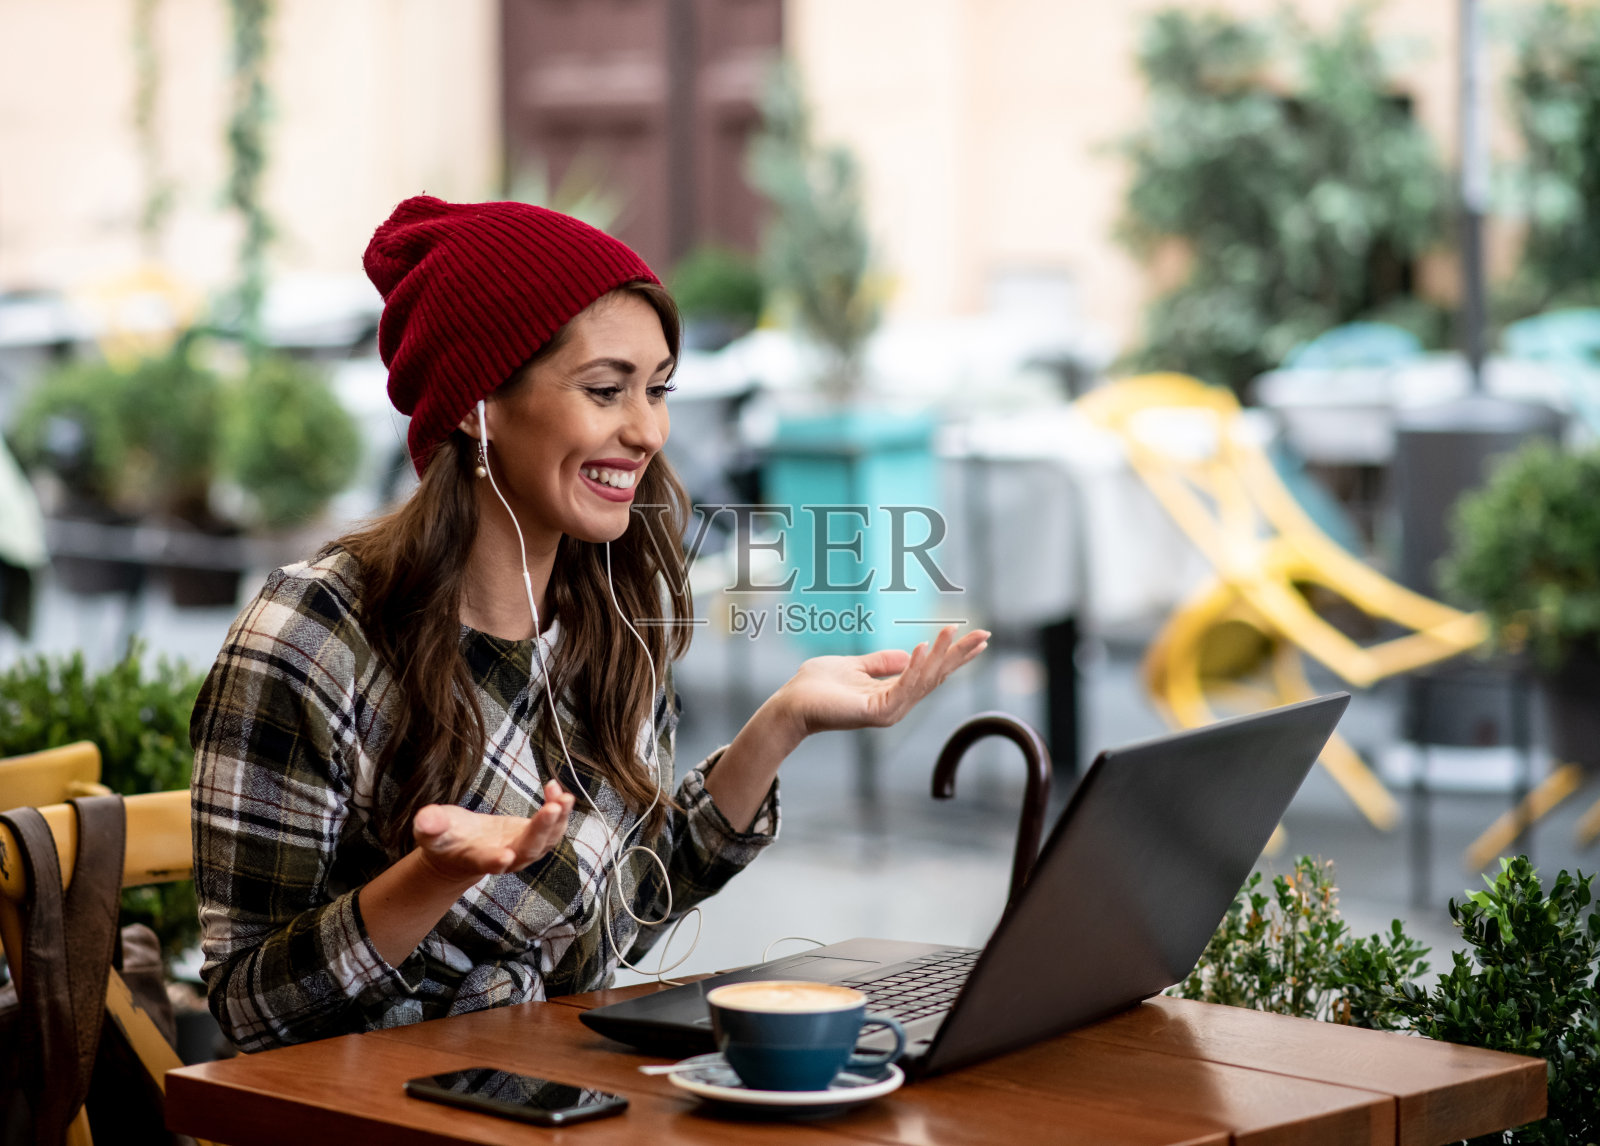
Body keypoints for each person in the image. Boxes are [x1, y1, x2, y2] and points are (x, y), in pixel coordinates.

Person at [189, 196, 988, 1052]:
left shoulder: (605, 619)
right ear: (475, 406)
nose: (647, 431)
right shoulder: (312, 635)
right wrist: (434, 877)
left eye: (657, 389)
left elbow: (633, 901)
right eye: (606, 390)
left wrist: (781, 722)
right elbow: (249, 1009)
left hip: (560, 1094)